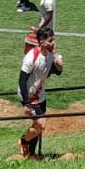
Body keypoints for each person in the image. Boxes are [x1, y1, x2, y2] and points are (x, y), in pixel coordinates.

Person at [18, 29, 63, 159]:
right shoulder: (31, 57)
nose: (53, 43)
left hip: (40, 95)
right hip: (29, 96)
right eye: (50, 41)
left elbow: (58, 72)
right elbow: (22, 81)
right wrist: (26, 103)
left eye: (53, 40)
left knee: (37, 126)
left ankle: (31, 154)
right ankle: (23, 141)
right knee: (41, 124)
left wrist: (59, 65)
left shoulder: (51, 55)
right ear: (42, 42)